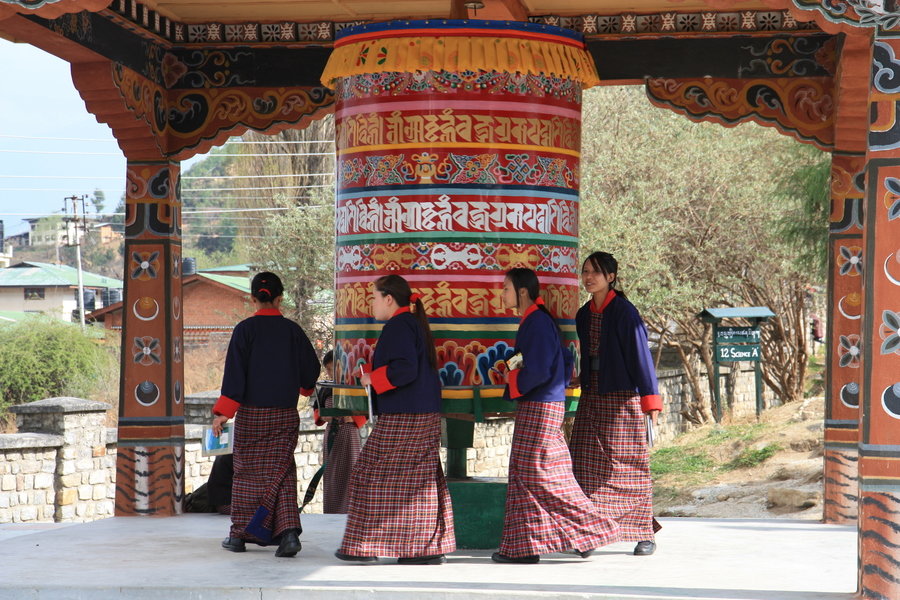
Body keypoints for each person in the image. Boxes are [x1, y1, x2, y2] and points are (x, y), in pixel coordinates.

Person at [492, 268, 619, 564]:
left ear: (523, 292)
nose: (503, 294)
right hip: (543, 403)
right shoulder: (535, 321)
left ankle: (592, 529)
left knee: (536, 474)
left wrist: (514, 381)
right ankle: (532, 546)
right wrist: (512, 373)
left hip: (539, 404)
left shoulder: (536, 322)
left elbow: (537, 370)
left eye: (507, 289)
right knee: (534, 474)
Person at [335, 274, 455, 565]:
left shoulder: (398, 325)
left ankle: (363, 544)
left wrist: (370, 378)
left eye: (374, 297)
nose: (371, 304)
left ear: (389, 299)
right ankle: (423, 548)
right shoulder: (410, 324)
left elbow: (404, 369)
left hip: (406, 414)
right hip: (421, 411)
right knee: (418, 479)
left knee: (367, 472)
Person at [211, 272, 320, 558]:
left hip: (251, 417)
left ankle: (238, 536)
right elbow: (311, 373)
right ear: (280, 298)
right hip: (284, 415)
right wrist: (304, 388)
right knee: (281, 473)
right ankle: (288, 536)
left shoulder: (245, 330)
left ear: (252, 298)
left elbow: (234, 378)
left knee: (246, 474)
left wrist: (222, 414)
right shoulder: (293, 331)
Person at [572, 252, 663, 556]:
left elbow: (641, 357)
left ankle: (643, 532)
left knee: (631, 465)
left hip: (622, 398)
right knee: (585, 464)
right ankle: (590, 532)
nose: (589, 277)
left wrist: (650, 400)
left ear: (610, 277)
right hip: (591, 395)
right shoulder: (583, 314)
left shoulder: (625, 312)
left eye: (596, 272)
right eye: (585, 271)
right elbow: (588, 355)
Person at [312, 350, 365, 514]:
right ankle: (332, 511)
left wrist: (353, 418)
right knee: (332, 475)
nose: (330, 373)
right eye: (327, 369)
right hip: (332, 435)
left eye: (332, 368)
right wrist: (324, 417)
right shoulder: (326, 388)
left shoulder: (355, 386)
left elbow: (365, 411)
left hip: (349, 435)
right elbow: (317, 411)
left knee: (352, 473)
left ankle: (351, 512)